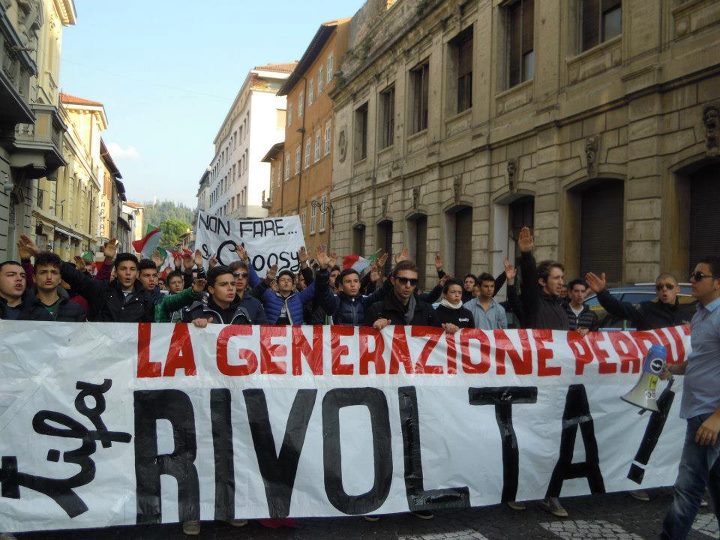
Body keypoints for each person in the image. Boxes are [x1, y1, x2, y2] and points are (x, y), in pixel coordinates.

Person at [659, 257, 720, 539]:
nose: (691, 280)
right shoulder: (700, 314)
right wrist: (675, 369)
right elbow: (700, 360)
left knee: (698, 489)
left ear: (717, 282)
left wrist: (717, 418)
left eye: (699, 276)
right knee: (688, 489)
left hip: (713, 421)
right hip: (698, 417)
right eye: (692, 275)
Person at [516, 226, 570, 517]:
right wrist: (527, 255)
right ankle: (518, 488)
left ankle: (551, 493)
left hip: (559, 383)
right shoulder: (534, 302)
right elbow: (526, 282)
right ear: (542, 282)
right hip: (535, 381)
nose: (562, 282)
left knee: (556, 440)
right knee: (529, 438)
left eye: (563, 278)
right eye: (557, 278)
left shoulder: (560, 307)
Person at [585, 271, 695, 330]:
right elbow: (617, 308)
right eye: (659, 287)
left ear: (677, 289)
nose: (664, 290)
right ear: (656, 291)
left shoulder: (689, 313)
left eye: (669, 286)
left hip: (679, 368)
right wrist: (601, 292)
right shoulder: (645, 309)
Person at [30, 252, 86, 321]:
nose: (49, 277)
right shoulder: (24, 308)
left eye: (54, 272)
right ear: (34, 278)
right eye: (43, 272)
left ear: (60, 278)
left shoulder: (76, 310)